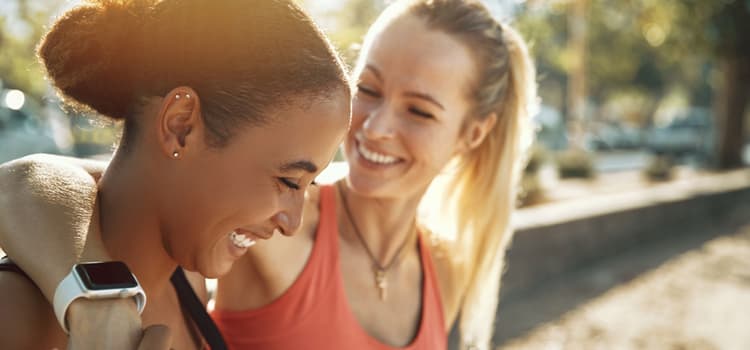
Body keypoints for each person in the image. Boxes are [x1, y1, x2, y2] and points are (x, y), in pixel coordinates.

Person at [0, 0, 537, 349]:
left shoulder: (443, 267)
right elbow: (46, 183)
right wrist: (100, 299)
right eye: (368, 89)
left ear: (473, 133)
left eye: (420, 111)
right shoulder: (265, 233)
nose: (375, 128)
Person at [0, 0, 350, 349]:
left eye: (308, 185)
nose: (292, 223)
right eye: (288, 181)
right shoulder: (16, 317)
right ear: (180, 124)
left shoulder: (188, 279)